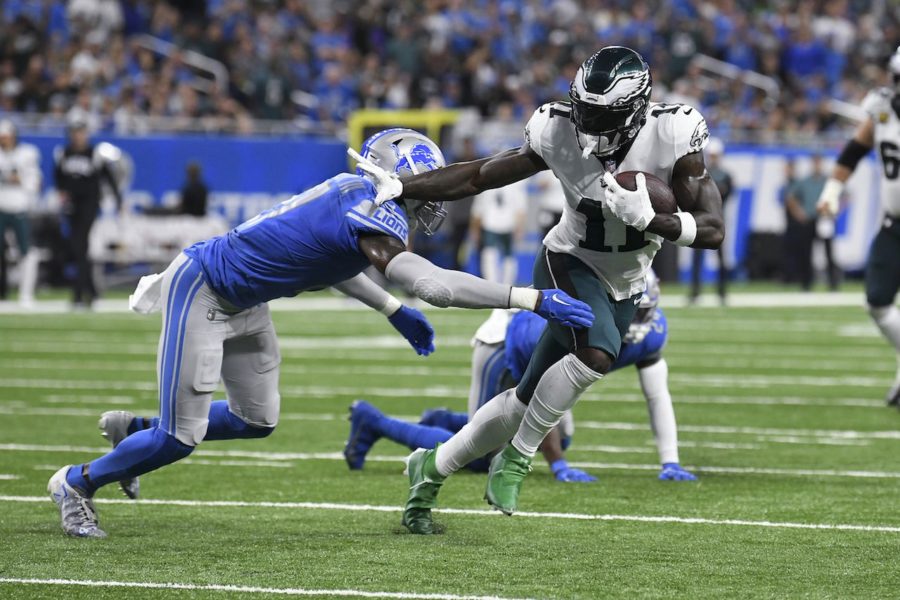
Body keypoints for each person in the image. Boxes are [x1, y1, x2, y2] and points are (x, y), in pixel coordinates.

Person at [47, 128, 593, 538]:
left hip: (244, 298)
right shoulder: (368, 208)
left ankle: (135, 430)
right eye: (421, 184)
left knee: (255, 420)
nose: (430, 196)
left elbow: (333, 260)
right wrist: (530, 298)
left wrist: (389, 310)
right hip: (206, 288)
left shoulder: (353, 198)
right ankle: (76, 481)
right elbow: (432, 285)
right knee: (180, 436)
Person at [362, 46, 724, 534]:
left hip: (629, 280)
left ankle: (429, 469)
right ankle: (517, 459)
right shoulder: (554, 127)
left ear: (637, 109)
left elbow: (714, 230)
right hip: (567, 261)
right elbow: (479, 175)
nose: (589, 124)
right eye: (584, 110)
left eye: (603, 114)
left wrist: (654, 219)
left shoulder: (675, 133)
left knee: (522, 400)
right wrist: (408, 187)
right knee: (597, 353)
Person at [344, 271, 696, 483]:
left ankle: (444, 420)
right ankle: (373, 422)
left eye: (640, 311)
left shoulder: (652, 333)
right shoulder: (569, 325)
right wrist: (557, 465)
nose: (630, 322)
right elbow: (537, 391)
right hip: (505, 344)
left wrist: (670, 461)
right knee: (481, 451)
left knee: (552, 437)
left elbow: (657, 395)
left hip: (546, 355)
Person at [818, 46, 900, 406]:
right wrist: (832, 190)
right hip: (893, 223)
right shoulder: (881, 108)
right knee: (877, 302)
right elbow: (853, 151)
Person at [53, 120, 123, 309]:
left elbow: (109, 179)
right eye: (76, 132)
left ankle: (78, 294)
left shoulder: (95, 154)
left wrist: (118, 201)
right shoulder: (63, 153)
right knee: (80, 248)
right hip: (71, 205)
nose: (78, 136)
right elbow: (58, 178)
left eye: (81, 132)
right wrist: (62, 194)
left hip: (89, 204)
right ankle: (91, 292)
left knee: (79, 245)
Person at [0, 119, 41, 306]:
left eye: (7, 137)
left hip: (19, 208)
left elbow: (35, 182)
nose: (4, 141)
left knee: (26, 252)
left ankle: (26, 293)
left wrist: (20, 179)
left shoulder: (27, 153)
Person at [785, 154, 838, 291]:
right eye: (815, 162)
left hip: (824, 219)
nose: (817, 165)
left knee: (829, 253)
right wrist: (799, 213)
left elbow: (844, 196)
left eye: (818, 162)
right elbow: (790, 198)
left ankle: (833, 283)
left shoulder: (828, 181)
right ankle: (806, 283)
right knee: (806, 252)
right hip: (809, 220)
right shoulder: (805, 181)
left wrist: (834, 211)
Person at [690, 137, 732, 304]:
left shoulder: (725, 175)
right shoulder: (698, 173)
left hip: (717, 220)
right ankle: (695, 292)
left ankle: (722, 292)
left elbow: (726, 196)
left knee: (721, 258)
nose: (713, 158)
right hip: (701, 220)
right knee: (697, 257)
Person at [470, 180, 527, 284]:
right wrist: (519, 226)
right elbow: (520, 207)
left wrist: (475, 229)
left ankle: (494, 284)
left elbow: (478, 209)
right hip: (503, 223)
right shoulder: (515, 181)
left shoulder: (488, 181)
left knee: (494, 254)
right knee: (502, 255)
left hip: (495, 223)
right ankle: (504, 285)